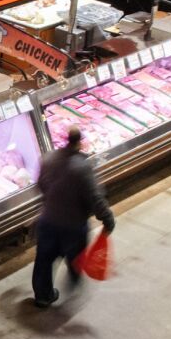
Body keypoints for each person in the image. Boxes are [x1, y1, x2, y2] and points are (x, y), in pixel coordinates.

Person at [31, 127, 115, 308]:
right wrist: (107, 218)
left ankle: (43, 296)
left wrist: (52, 199)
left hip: (48, 220)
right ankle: (73, 284)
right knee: (75, 257)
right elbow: (94, 197)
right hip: (73, 224)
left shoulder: (48, 158)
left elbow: (41, 183)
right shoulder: (82, 167)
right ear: (79, 143)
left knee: (44, 260)